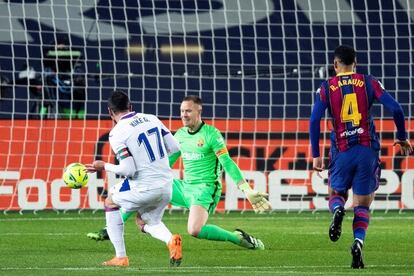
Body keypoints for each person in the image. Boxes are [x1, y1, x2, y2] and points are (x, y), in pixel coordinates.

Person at [88, 95, 272, 250]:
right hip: (183, 186)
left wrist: (246, 189)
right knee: (140, 188)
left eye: (189, 111)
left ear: (199, 112)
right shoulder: (180, 135)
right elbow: (168, 161)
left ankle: (238, 237)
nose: (184, 114)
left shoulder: (211, 134)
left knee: (194, 230)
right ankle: (108, 228)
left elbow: (227, 163)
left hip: (204, 189)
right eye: (182, 111)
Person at [309, 45, 413, 269]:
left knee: (336, 193)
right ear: (355, 64)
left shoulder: (327, 87)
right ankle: (357, 242)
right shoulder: (368, 82)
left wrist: (316, 155)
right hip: (367, 151)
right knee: (363, 204)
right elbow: (396, 108)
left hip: (342, 150)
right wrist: (403, 137)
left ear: (335, 65)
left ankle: (338, 210)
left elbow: (314, 119)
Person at [85, 90, 183, 267]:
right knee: (144, 221)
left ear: (110, 111)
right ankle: (170, 240)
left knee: (110, 202)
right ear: (131, 106)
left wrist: (103, 166)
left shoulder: (117, 133)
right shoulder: (152, 118)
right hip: (166, 185)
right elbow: (176, 148)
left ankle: (120, 257)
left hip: (144, 187)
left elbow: (128, 170)